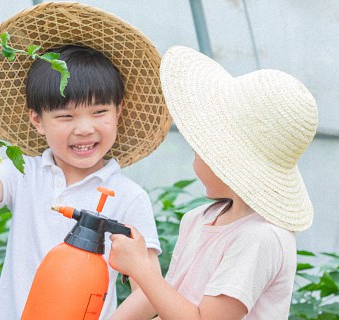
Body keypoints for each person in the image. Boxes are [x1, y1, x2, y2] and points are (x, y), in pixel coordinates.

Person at [0, 3, 172, 319]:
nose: (84, 128)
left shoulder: (128, 198)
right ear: (38, 121)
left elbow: (148, 294)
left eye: (99, 113)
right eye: (65, 116)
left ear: (118, 111)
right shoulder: (24, 171)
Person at [108, 46, 319, 320]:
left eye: (198, 149)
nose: (195, 156)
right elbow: (166, 297)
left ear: (224, 160)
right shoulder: (199, 219)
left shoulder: (262, 238)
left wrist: (142, 270)